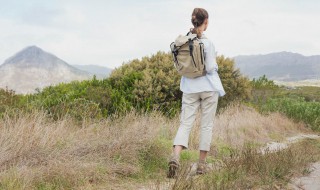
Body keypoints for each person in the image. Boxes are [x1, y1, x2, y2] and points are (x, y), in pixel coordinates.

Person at [168, 8, 226, 178]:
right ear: (205, 22)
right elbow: (210, 68)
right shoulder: (207, 43)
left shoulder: (183, 41)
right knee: (206, 125)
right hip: (208, 88)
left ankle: (175, 157)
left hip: (189, 87)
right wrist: (215, 66)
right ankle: (201, 166)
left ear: (193, 21)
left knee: (185, 123)